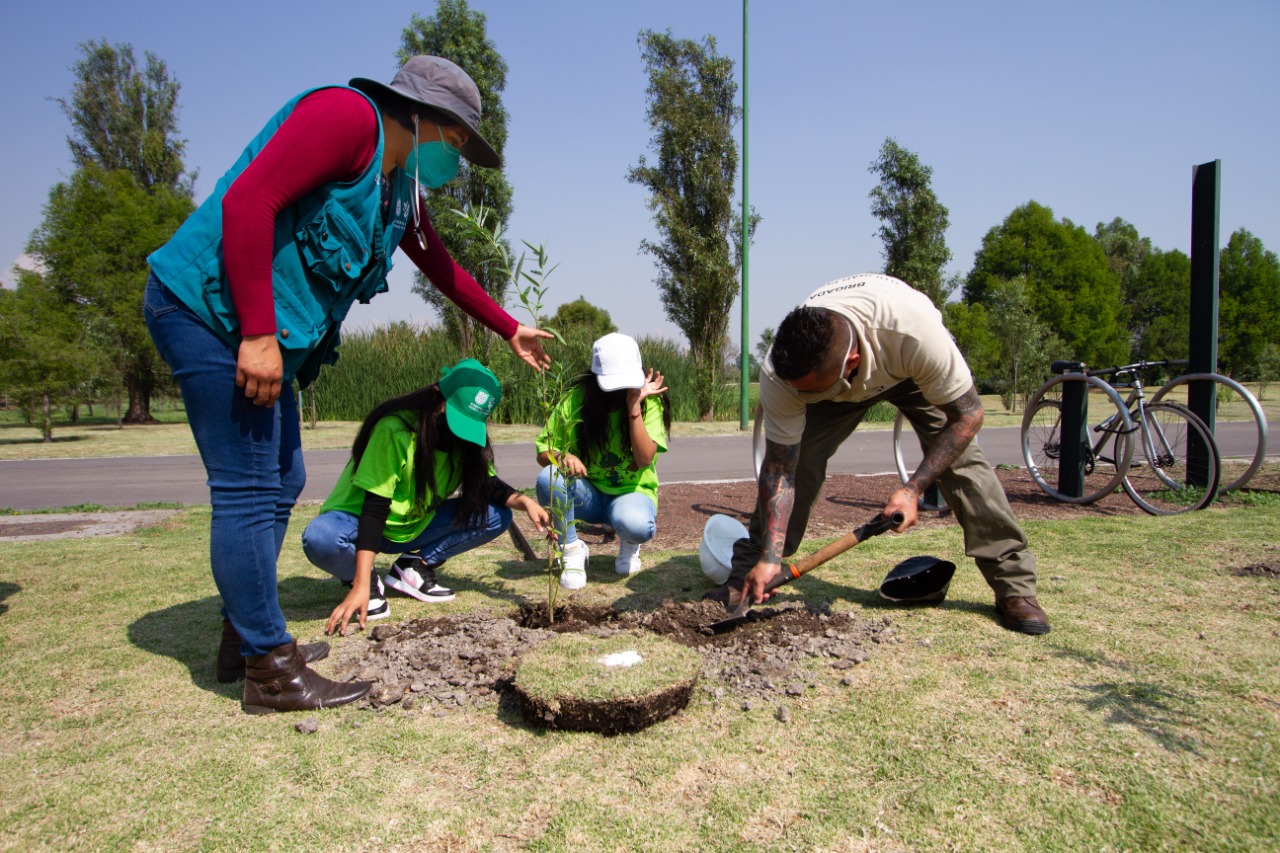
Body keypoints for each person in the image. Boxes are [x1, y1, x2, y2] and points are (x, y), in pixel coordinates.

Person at [143, 55, 552, 714]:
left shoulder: (397, 189)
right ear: (424, 116)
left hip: (256, 333)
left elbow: (440, 265)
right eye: (455, 141)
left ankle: (246, 635)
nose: (456, 158)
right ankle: (269, 670)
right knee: (250, 485)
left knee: (283, 479)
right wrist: (255, 332)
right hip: (209, 314)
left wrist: (508, 327)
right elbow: (251, 200)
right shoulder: (345, 119)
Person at [707, 273, 1050, 635]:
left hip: (907, 372)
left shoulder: (914, 331)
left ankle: (1014, 587)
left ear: (851, 362)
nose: (798, 394)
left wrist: (913, 489)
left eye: (809, 390)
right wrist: (770, 556)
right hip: (833, 387)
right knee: (800, 456)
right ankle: (749, 578)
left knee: (963, 464)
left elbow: (968, 415)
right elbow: (781, 471)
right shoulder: (783, 373)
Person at [302, 360, 550, 634]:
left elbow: (488, 485)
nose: (458, 432)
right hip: (357, 523)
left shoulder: (465, 444)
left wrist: (526, 502)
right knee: (320, 538)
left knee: (496, 515)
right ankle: (364, 581)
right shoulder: (394, 431)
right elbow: (374, 508)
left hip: (413, 527)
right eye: (456, 419)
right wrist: (361, 581)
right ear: (436, 397)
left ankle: (414, 565)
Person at [534, 334, 670, 589]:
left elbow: (643, 460)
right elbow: (544, 451)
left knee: (637, 525)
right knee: (549, 477)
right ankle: (572, 550)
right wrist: (564, 457)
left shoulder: (648, 401)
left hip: (631, 494)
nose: (619, 390)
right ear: (597, 379)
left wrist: (633, 407)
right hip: (590, 495)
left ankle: (629, 542)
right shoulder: (575, 400)